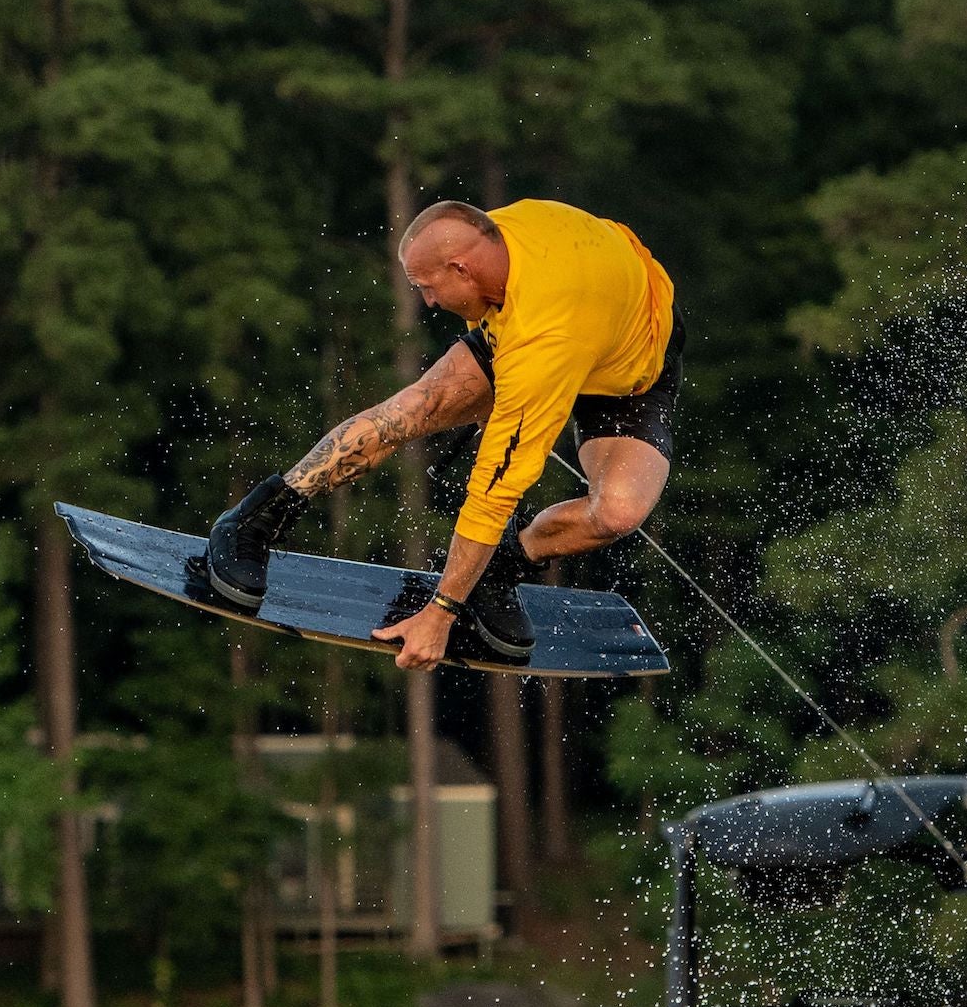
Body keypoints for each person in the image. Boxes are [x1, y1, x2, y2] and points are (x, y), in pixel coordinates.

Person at [201, 198, 681, 665]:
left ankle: (499, 569)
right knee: (412, 409)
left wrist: (440, 612)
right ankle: (254, 521)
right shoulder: (495, 240)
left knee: (616, 512)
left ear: (461, 270)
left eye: (427, 288)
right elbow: (486, 300)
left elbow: (496, 488)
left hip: (630, 367)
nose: (428, 302)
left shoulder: (543, 338)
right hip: (562, 319)